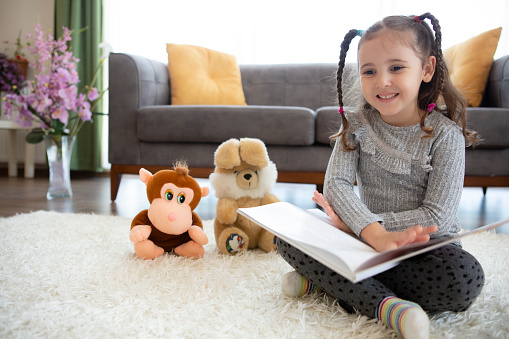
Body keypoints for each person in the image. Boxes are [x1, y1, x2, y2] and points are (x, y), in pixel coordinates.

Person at [276, 13, 484, 339]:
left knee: (464, 279)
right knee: (286, 236)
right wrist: (370, 234)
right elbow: (336, 185)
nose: (382, 81)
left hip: (421, 251)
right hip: (364, 239)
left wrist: (371, 228)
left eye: (396, 68)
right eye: (369, 71)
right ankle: (387, 307)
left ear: (427, 69)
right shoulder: (357, 125)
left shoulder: (446, 136)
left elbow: (437, 218)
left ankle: (330, 283)